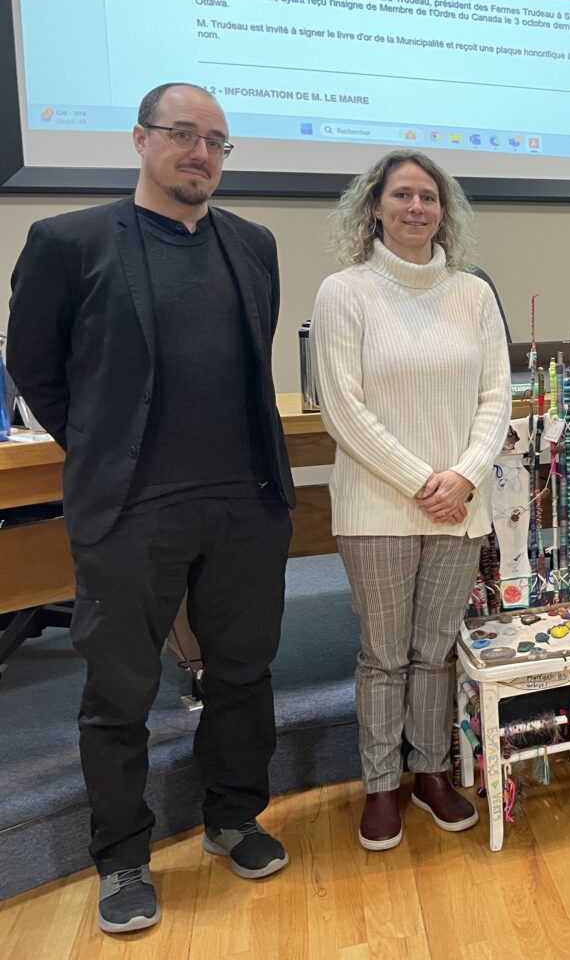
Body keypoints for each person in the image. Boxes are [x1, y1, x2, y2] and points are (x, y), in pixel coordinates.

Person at [6, 83, 296, 933]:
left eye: (215, 141)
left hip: (243, 506)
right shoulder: (71, 241)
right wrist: (101, 445)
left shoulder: (254, 244)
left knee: (242, 673)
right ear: (139, 140)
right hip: (132, 512)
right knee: (120, 691)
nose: (199, 152)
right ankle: (123, 858)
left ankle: (234, 818)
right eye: (181, 135)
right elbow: (37, 367)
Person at [311, 150, 511, 850]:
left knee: (435, 652)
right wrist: (423, 482)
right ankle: (378, 785)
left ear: (443, 209)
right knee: (385, 655)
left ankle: (430, 772)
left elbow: (496, 396)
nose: (416, 208)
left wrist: (462, 475)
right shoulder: (345, 292)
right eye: (402, 195)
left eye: (428, 196)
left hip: (460, 506)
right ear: (375, 206)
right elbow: (343, 407)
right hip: (378, 509)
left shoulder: (473, 295)